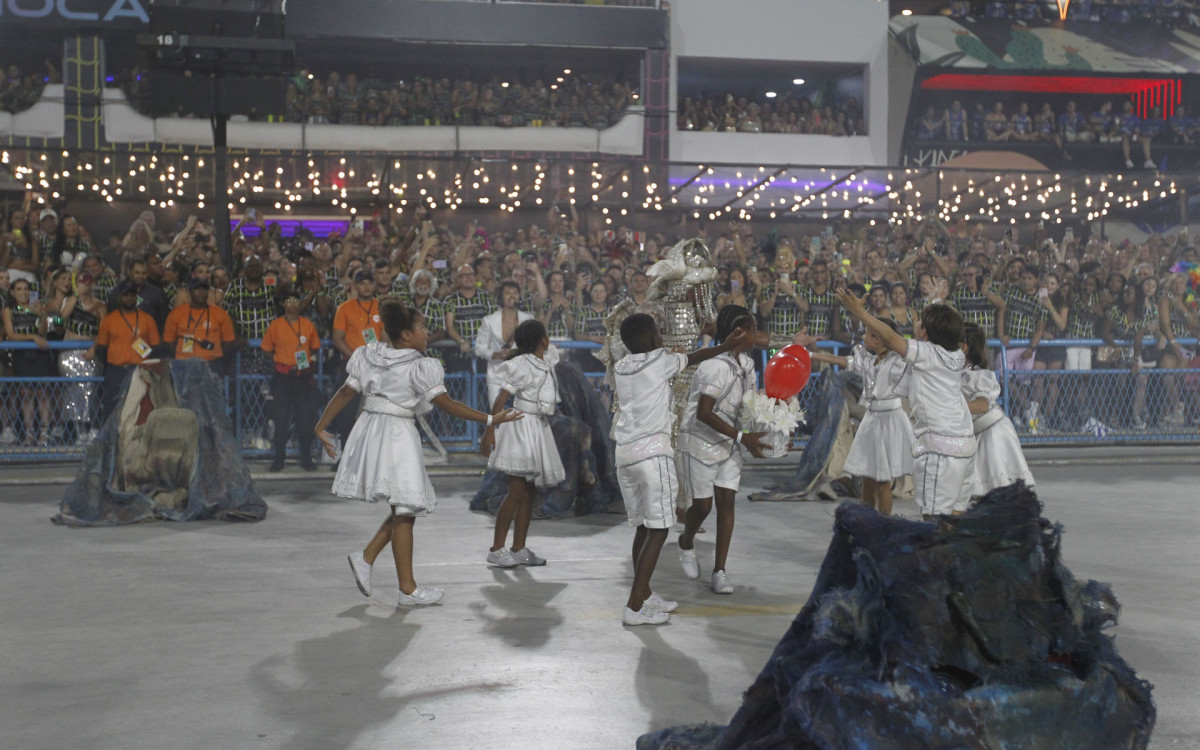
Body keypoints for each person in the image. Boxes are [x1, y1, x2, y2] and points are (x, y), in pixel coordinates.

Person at [316, 300, 522, 606]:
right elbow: (447, 404)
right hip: (396, 435)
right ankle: (405, 588)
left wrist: (321, 426)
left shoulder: (371, 355)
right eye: (422, 327)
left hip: (372, 430)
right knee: (407, 507)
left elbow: (347, 392)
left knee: (405, 507)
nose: (427, 332)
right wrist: (490, 419)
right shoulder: (417, 366)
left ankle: (370, 559)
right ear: (405, 335)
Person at [611, 312, 750, 625]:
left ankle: (644, 594)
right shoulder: (661, 361)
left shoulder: (622, 365)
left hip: (624, 454)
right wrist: (725, 345)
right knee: (660, 528)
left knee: (644, 527)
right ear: (656, 339)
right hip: (652, 454)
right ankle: (634, 606)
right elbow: (696, 356)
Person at [835, 290, 976, 518]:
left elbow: (890, 337)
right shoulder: (956, 354)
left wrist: (859, 312)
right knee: (954, 516)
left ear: (925, 333)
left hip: (940, 446)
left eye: (920, 323)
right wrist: (936, 301)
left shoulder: (926, 353)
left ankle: (939, 552)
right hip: (966, 444)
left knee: (934, 518)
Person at [676, 306, 769, 596]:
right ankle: (687, 541)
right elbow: (704, 413)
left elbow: (748, 403)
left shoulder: (747, 363)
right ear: (739, 332)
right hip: (701, 441)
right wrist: (743, 436)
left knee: (727, 501)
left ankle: (719, 571)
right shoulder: (714, 365)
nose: (756, 335)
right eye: (753, 329)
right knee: (703, 507)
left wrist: (771, 427)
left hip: (730, 442)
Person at [479, 319, 564, 568]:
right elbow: (501, 398)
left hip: (537, 427)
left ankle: (519, 548)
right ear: (543, 341)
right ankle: (496, 549)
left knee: (529, 491)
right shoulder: (520, 365)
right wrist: (490, 429)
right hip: (520, 426)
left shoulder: (543, 363)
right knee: (516, 491)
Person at [808, 317, 913, 515]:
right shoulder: (869, 361)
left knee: (883, 480)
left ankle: (883, 525)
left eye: (869, 333)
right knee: (867, 478)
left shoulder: (898, 363)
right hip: (872, 421)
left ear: (880, 339)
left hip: (889, 422)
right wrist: (811, 355)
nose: (864, 336)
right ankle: (867, 522)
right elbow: (843, 361)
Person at [961, 322, 1034, 498]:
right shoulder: (957, 371)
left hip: (993, 434)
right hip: (977, 435)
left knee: (1000, 490)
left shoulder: (979, 374)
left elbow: (982, 405)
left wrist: (952, 406)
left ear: (964, 347)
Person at [260, 287, 322, 472]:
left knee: (305, 419)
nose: (293, 304)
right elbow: (265, 348)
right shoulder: (276, 325)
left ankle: (306, 457)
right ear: (283, 304)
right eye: (289, 301)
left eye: (296, 300)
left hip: (302, 377)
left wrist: (306, 361)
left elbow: (315, 347)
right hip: (282, 378)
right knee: (281, 420)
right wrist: (280, 360)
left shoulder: (308, 324)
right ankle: (279, 459)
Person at [86, 280, 161, 424]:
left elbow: (155, 347)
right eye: (126, 295)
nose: (129, 298)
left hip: (140, 370)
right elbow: (102, 345)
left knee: (141, 408)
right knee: (112, 408)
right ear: (120, 297)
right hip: (116, 370)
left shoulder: (147, 320)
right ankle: (111, 442)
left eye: (132, 295)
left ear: (136, 297)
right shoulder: (109, 320)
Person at [2, 278, 54, 445]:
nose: (23, 292)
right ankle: (29, 432)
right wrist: (32, 337)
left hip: (40, 356)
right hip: (21, 356)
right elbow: (10, 335)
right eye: (19, 289)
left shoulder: (36, 307)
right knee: (25, 395)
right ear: (12, 292)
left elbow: (43, 331)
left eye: (25, 289)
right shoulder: (8, 310)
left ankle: (44, 433)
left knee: (43, 394)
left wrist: (42, 314)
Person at [475, 280, 533, 405]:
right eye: (507, 293)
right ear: (501, 296)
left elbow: (532, 346)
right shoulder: (489, 321)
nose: (512, 296)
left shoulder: (528, 319)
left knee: (524, 416)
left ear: (519, 296)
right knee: (497, 417)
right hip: (497, 374)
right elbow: (480, 348)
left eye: (515, 293)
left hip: (522, 375)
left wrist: (516, 352)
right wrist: (497, 355)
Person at [163, 279, 236, 375]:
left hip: (212, 364)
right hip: (184, 365)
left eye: (204, 289)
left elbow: (229, 341)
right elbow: (169, 341)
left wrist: (213, 354)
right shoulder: (176, 314)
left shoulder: (220, 313)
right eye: (197, 289)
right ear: (190, 292)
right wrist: (182, 355)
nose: (201, 292)